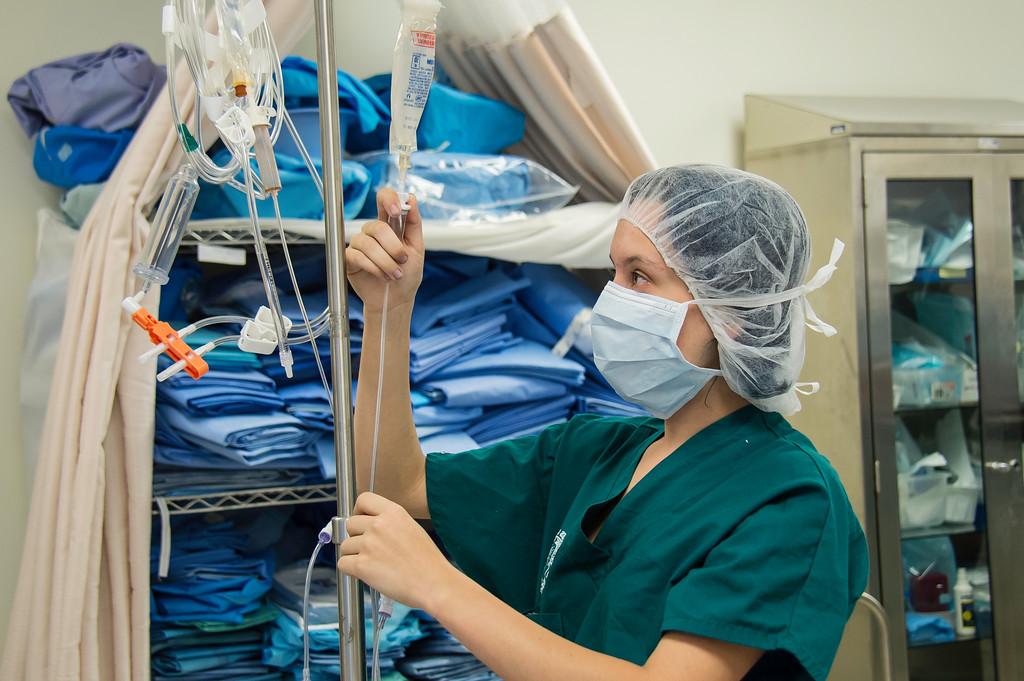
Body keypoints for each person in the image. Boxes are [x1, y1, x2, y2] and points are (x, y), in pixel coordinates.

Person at [339, 165, 869, 681]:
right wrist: (389, 311)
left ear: (729, 306)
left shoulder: (791, 498)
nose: (611, 299)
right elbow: (397, 486)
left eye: (639, 275)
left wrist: (439, 586)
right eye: (612, 271)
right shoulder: (591, 451)